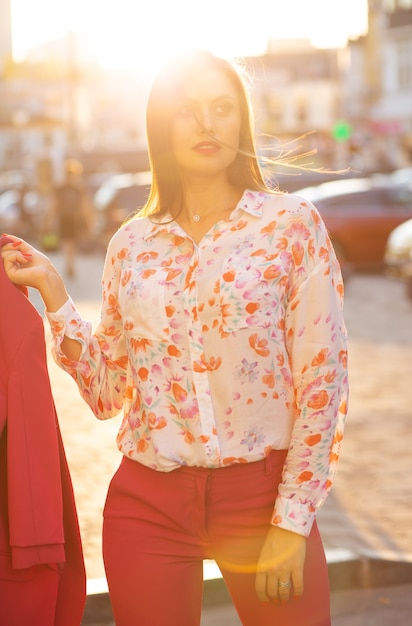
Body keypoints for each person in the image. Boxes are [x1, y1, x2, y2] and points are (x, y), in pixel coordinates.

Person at [1, 49, 348, 626]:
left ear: (242, 121)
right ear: (161, 125)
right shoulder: (131, 245)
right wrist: (57, 299)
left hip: (263, 501)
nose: (207, 124)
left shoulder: (291, 226)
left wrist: (292, 520)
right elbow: (109, 394)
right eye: (187, 111)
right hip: (149, 506)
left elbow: (322, 383)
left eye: (221, 108)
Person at [48, 158, 89, 278]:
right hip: (65, 219)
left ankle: (70, 263)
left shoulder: (78, 189)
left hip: (74, 219)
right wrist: (50, 220)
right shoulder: (61, 189)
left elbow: (84, 205)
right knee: (67, 242)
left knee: (71, 242)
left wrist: (87, 219)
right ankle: (69, 264)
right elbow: (54, 205)